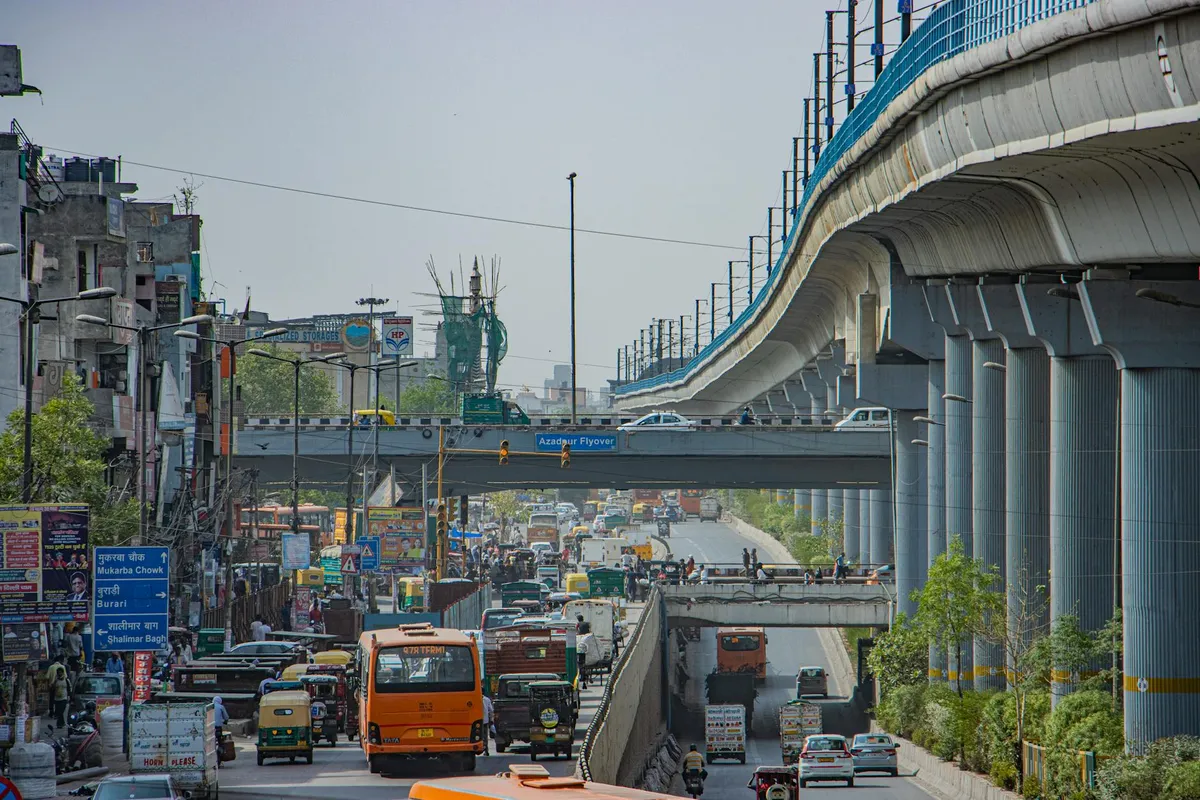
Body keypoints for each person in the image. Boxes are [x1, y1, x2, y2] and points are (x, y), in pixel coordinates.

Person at [48, 655, 70, 728]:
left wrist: (69, 697)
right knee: (58, 712)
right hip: (57, 698)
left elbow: (69, 688)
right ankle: (61, 723)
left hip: (64, 697)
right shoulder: (56, 680)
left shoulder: (66, 680)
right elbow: (52, 687)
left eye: (61, 672)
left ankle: (60, 723)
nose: (60, 673)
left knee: (61, 711)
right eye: (59, 672)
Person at [481, 692, 494, 756]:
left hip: (475, 721)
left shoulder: (474, 698)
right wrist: (491, 719)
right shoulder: (487, 699)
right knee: (485, 736)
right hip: (485, 721)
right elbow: (491, 710)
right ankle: (485, 749)